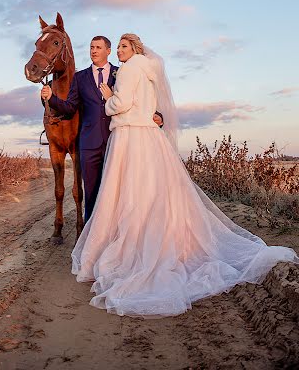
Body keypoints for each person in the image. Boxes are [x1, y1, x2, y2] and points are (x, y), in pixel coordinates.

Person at [71, 33, 299, 317]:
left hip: (129, 136)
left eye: (122, 46)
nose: (118, 51)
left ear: (134, 49)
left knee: (128, 190)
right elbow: (151, 105)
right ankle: (163, 236)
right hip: (149, 137)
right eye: (117, 47)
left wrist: (108, 99)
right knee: (153, 188)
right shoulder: (149, 69)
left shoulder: (128, 69)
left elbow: (122, 104)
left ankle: (130, 244)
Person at [41, 35, 163, 222]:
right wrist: (51, 98)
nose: (94, 51)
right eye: (91, 47)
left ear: (108, 51)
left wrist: (158, 115)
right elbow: (70, 107)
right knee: (90, 192)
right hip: (89, 142)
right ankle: (91, 234)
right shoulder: (80, 78)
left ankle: (114, 231)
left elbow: (139, 99)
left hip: (118, 140)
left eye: (98, 47)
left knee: (117, 193)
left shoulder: (122, 71)